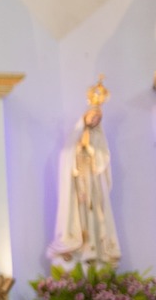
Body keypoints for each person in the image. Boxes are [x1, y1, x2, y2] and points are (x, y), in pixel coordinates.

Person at [46, 78, 121, 267]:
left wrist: (92, 151)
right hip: (79, 181)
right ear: (86, 117)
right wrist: (80, 150)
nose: (95, 120)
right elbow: (67, 157)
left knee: (95, 214)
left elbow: (103, 159)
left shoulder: (98, 138)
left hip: (94, 182)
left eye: (98, 119)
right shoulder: (75, 136)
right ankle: (79, 247)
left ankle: (95, 248)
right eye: (93, 117)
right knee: (79, 213)